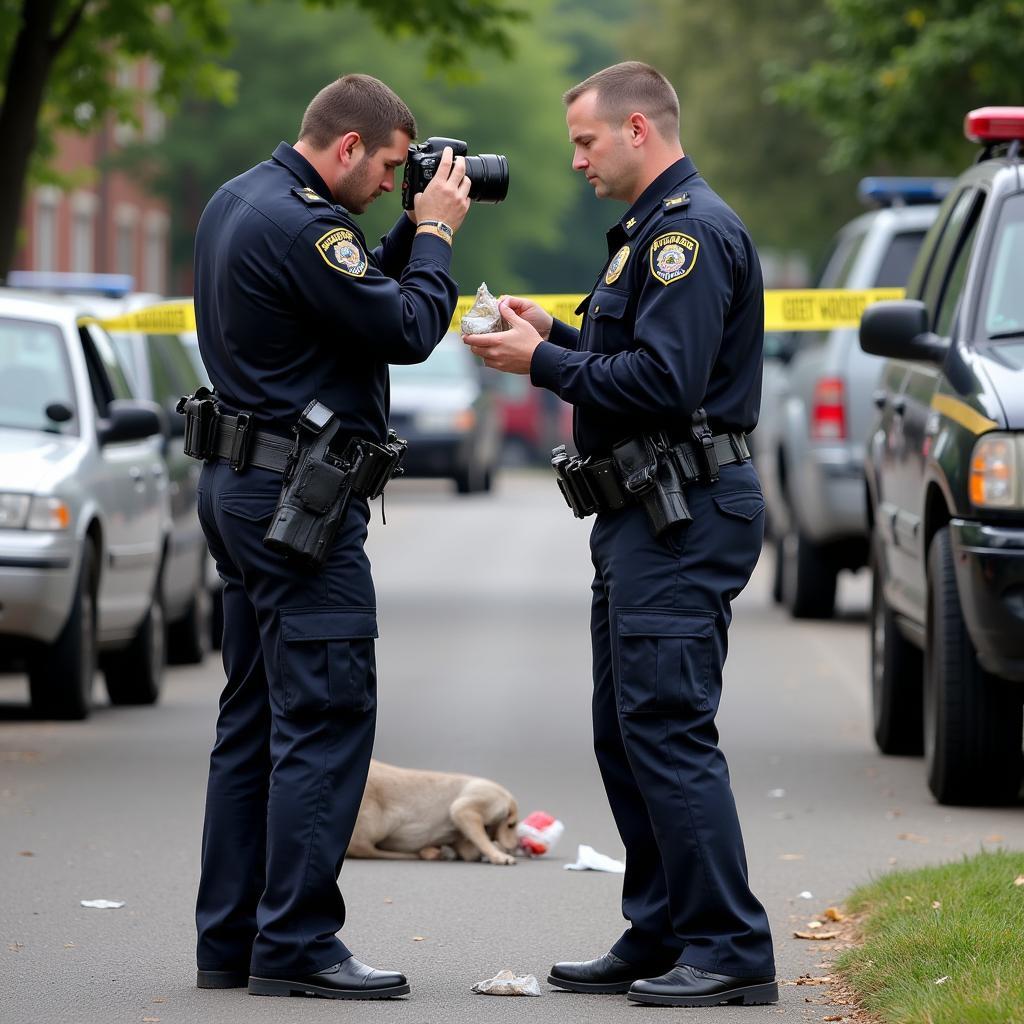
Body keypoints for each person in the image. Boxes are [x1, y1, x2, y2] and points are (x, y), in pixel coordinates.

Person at [464, 62, 778, 1008]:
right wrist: (551, 326)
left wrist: (542, 361)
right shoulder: (648, 234)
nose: (574, 160)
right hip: (644, 513)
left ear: (638, 129)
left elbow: (666, 384)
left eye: (587, 142)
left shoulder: (687, 236)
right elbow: (632, 351)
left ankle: (730, 948)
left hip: (683, 512)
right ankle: (663, 930)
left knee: (668, 731)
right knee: (626, 731)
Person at [190, 73, 471, 1000]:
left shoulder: (243, 201)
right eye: (392, 167)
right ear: (348, 147)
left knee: (256, 720)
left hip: (241, 489)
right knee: (325, 717)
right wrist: (433, 235)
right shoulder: (309, 227)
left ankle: (231, 940)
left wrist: (396, 236)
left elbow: (342, 296)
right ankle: (300, 943)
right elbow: (407, 324)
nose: (399, 182)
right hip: (296, 510)